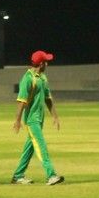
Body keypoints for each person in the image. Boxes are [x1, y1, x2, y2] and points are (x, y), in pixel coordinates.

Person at [11, 50, 64, 185]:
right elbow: (21, 101)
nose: (47, 64)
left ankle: (18, 175)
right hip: (31, 120)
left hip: (40, 120)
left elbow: (48, 98)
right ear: (41, 64)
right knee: (41, 145)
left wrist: (55, 116)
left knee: (29, 148)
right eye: (46, 62)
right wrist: (17, 120)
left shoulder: (42, 78)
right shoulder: (28, 79)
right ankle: (51, 175)